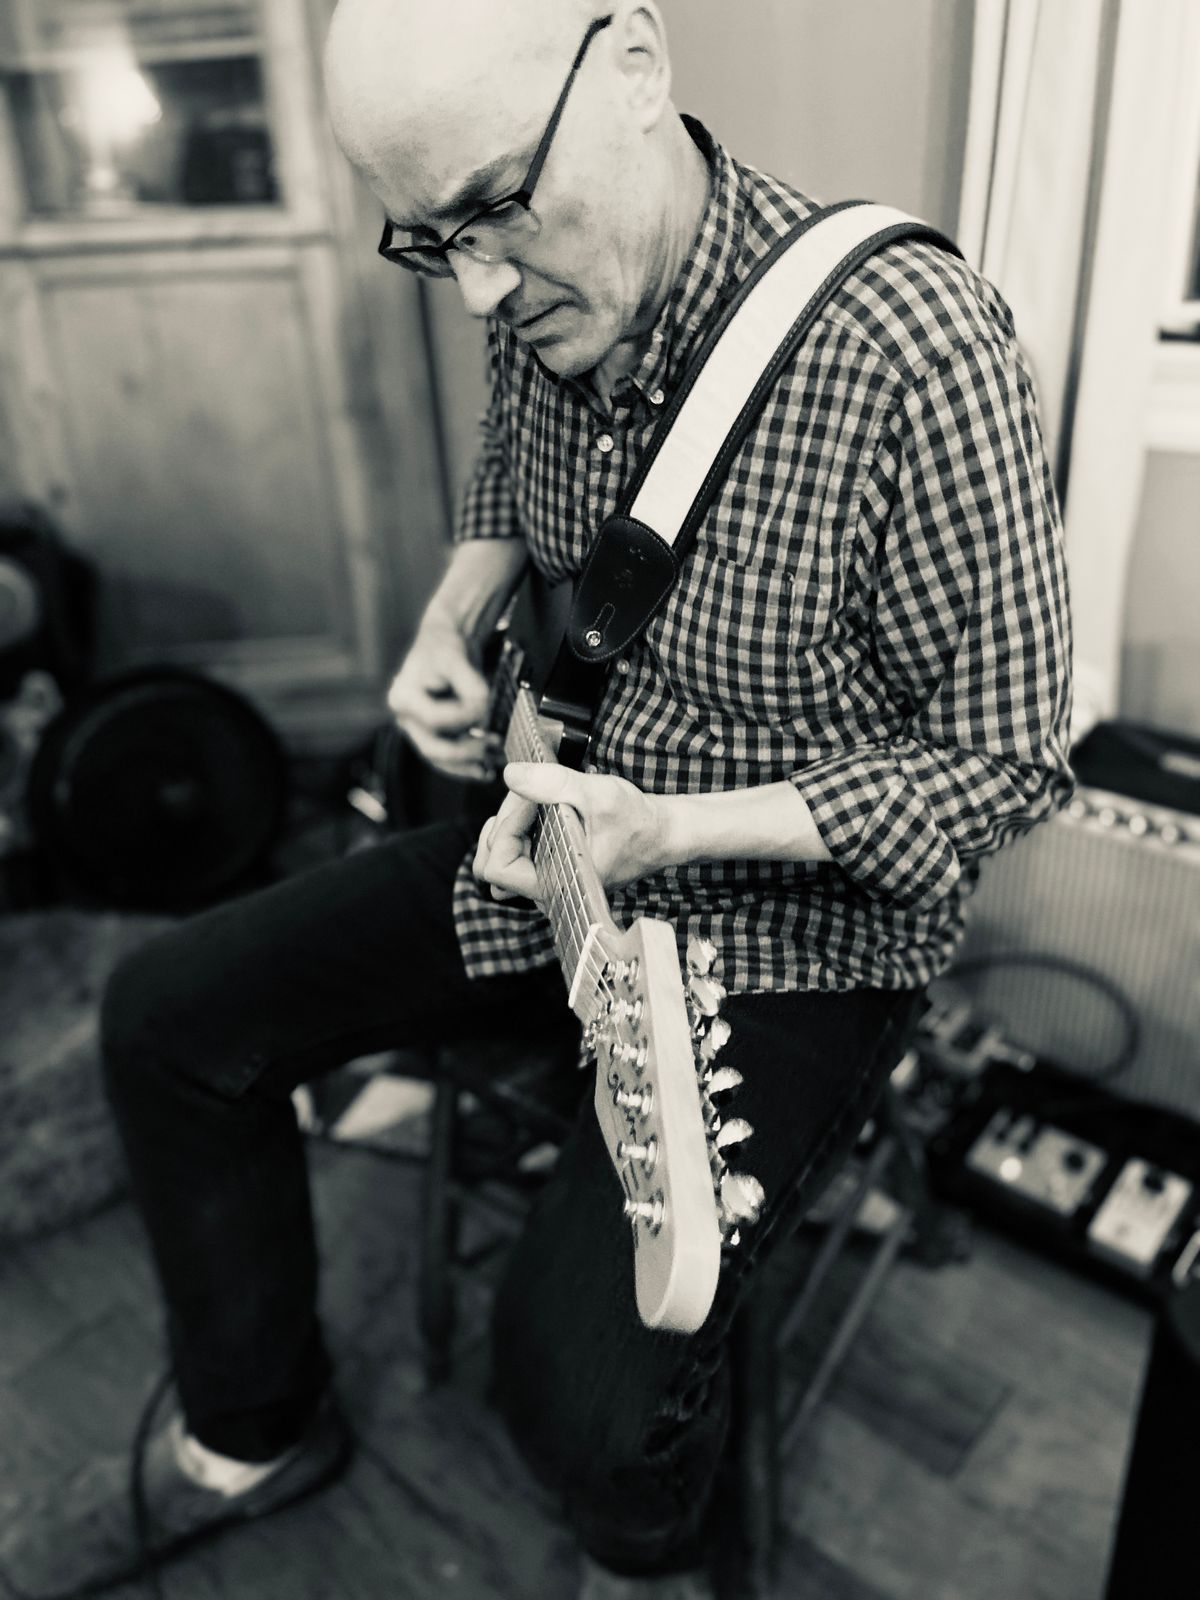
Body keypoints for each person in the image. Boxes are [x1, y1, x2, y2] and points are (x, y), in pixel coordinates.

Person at [0, 3, 1074, 1598]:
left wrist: (685, 828)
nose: (481, 289)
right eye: (430, 243)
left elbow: (1005, 763)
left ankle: (644, 1559)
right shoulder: (537, 269)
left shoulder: (918, 353)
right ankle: (251, 1433)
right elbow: (518, 470)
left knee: (576, 1400)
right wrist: (450, 621)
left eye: (495, 210)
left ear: (633, 65)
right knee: (166, 1018)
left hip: (790, 936)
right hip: (555, 854)